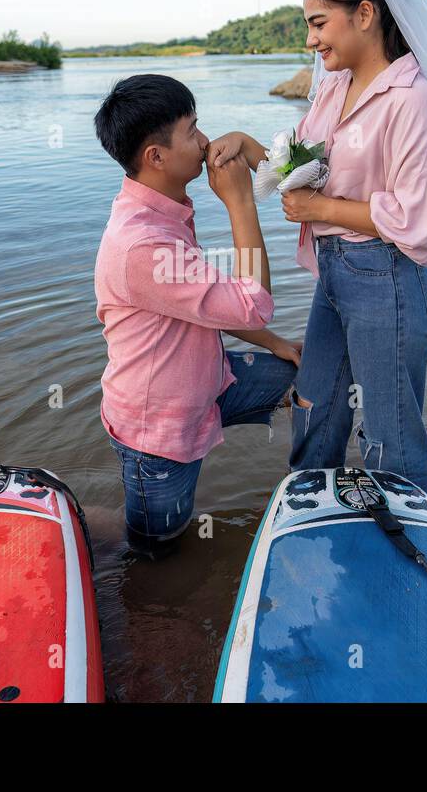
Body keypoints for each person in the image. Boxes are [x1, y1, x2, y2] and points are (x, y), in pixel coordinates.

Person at [214, 0, 427, 501]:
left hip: (389, 279)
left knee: (391, 440)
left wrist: (319, 209)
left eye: (319, 22)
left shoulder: (409, 96)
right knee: (316, 408)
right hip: (336, 274)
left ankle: (416, 556)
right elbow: (309, 166)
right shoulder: (334, 85)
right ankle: (308, 520)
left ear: (364, 13)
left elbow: (421, 218)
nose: (311, 39)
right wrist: (252, 149)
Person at [93, 74, 300, 552]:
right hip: (159, 430)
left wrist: (276, 344)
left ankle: (305, 500)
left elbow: (205, 306)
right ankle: (99, 528)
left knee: (312, 376)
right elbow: (252, 303)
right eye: (192, 130)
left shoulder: (159, 212)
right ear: (156, 157)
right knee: (157, 550)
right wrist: (240, 199)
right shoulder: (142, 244)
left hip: (209, 385)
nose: (205, 141)